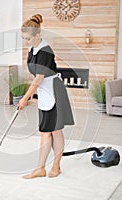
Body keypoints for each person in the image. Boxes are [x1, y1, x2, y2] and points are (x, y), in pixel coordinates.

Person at [18, 14, 74, 179]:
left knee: (56, 131)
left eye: (28, 38)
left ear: (38, 35)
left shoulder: (45, 51)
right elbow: (36, 77)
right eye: (23, 38)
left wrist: (25, 97)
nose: (25, 42)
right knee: (44, 131)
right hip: (44, 92)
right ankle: (40, 168)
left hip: (54, 92)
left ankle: (56, 166)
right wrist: (33, 98)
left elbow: (39, 78)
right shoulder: (32, 49)